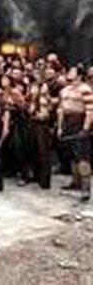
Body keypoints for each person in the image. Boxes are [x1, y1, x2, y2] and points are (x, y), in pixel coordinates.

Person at [57, 67, 93, 202]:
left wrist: (85, 128)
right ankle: (75, 181)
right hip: (67, 122)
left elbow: (90, 110)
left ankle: (85, 188)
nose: (69, 73)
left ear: (79, 75)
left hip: (79, 121)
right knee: (71, 154)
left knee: (82, 156)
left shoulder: (85, 89)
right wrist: (60, 127)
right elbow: (60, 109)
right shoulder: (65, 90)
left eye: (72, 71)